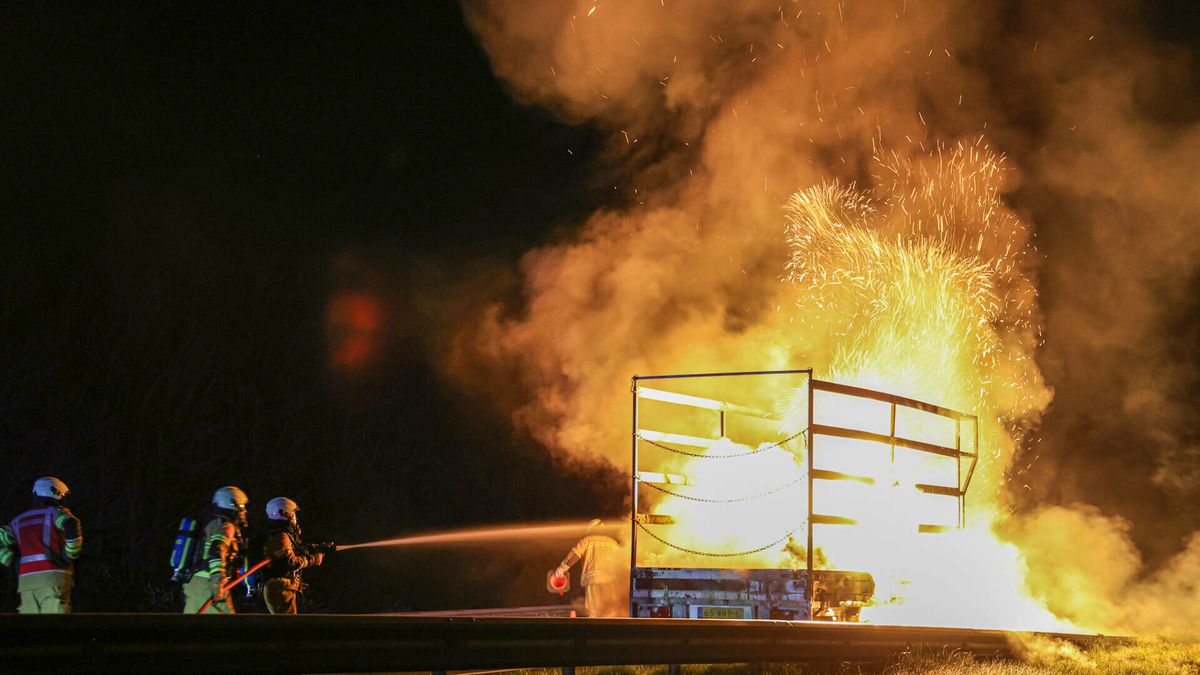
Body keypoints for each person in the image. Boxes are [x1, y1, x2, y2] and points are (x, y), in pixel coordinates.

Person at [0, 477, 82, 613]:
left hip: (26, 583)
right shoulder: (55, 514)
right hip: (54, 579)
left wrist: (12, 561)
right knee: (54, 628)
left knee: (32, 630)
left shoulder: (19, 521)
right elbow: (71, 524)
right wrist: (69, 555)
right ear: (56, 493)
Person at [182, 486, 249, 614]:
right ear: (234, 505)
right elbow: (217, 551)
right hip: (208, 585)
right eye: (242, 507)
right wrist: (217, 582)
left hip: (195, 583)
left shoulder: (213, 522)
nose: (244, 512)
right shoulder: (226, 526)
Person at [260, 497, 331, 614]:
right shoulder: (281, 536)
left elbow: (296, 551)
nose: (295, 519)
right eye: (293, 514)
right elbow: (289, 562)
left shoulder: (284, 535)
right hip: (280, 588)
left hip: (285, 587)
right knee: (288, 627)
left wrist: (317, 548)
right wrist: (313, 559)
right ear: (284, 514)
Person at [555, 519, 627, 618]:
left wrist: (562, 568)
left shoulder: (587, 541)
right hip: (611, 582)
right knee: (611, 610)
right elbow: (622, 561)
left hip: (594, 581)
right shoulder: (612, 543)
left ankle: (596, 630)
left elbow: (575, 554)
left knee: (595, 610)